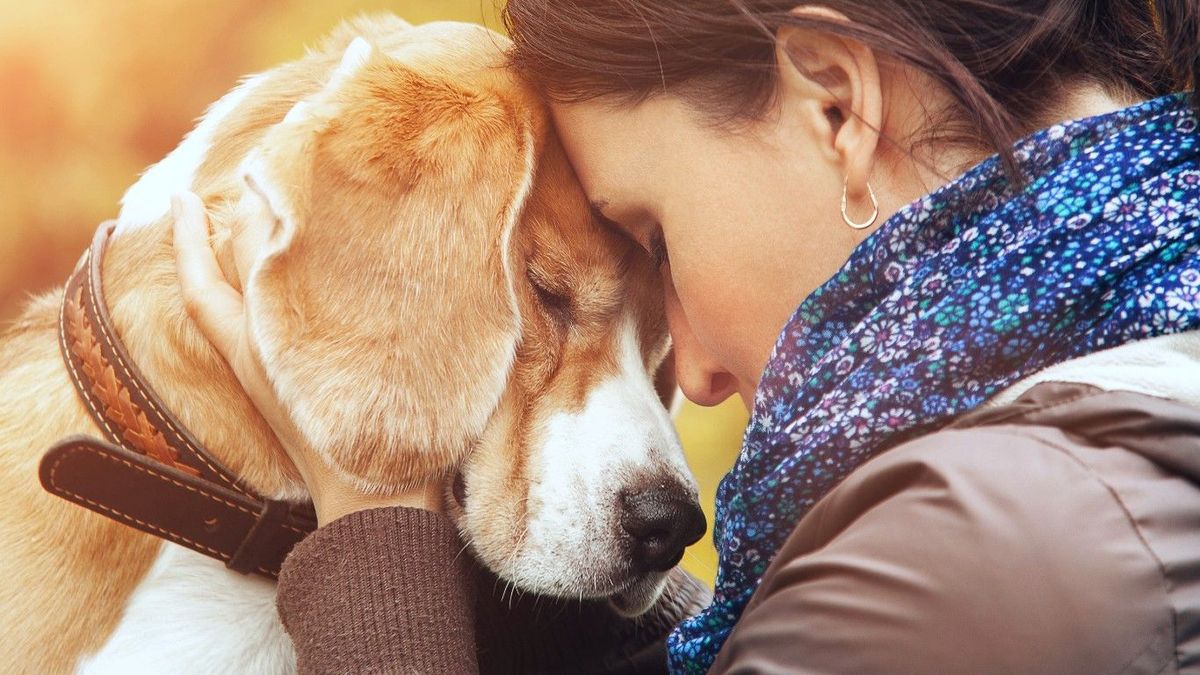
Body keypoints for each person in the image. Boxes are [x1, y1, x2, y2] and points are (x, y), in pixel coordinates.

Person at [173, 0, 1200, 672]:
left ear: (839, 108)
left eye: (654, 238)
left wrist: (373, 530)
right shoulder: (1126, 404)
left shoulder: (996, 555)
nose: (697, 378)